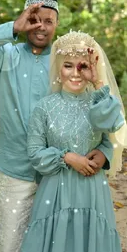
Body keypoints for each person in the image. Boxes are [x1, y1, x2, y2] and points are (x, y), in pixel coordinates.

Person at [0, 0, 112, 252]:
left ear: (57, 24)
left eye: (49, 21)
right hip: (16, 173)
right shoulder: (3, 57)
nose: (41, 27)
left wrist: (104, 151)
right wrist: (13, 27)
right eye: (35, 19)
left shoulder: (67, 63)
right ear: (26, 18)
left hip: (64, 178)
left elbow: (93, 115)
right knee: (10, 246)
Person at [20, 31, 126, 252]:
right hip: (56, 192)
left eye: (82, 66)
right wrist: (66, 157)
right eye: (68, 65)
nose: (75, 73)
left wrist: (104, 153)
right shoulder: (45, 107)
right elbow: (35, 153)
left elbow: (112, 128)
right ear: (59, 68)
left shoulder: (98, 102)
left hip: (92, 188)